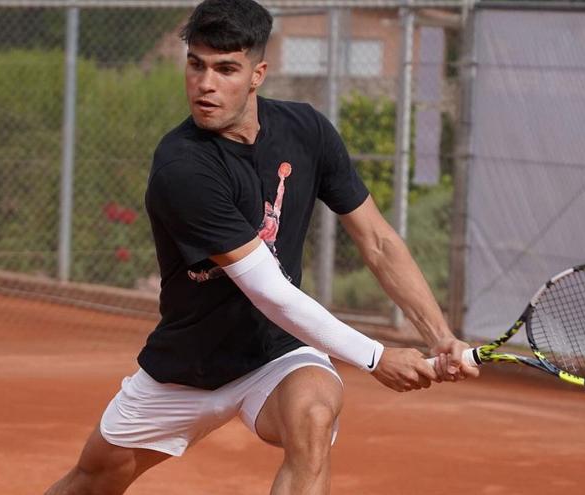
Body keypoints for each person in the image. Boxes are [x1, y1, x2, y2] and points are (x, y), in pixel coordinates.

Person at [46, 1, 478, 493]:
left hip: (278, 353)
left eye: (226, 68)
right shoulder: (182, 167)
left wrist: (440, 334)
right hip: (190, 364)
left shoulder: (307, 131)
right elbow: (269, 291)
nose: (206, 84)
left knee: (313, 418)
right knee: (92, 481)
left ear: (258, 73)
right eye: (196, 64)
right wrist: (376, 357)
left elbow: (377, 240)